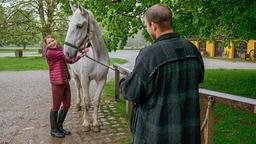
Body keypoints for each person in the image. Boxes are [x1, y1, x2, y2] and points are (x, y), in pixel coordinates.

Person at [120, 4, 204, 144]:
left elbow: (131, 92)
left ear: (153, 26)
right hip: (188, 134)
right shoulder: (193, 50)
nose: (148, 30)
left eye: (147, 26)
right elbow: (199, 77)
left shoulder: (149, 55)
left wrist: (123, 82)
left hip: (156, 134)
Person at [43, 35, 89, 138]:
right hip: (57, 83)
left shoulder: (60, 49)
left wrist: (81, 55)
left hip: (65, 81)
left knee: (67, 105)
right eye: (49, 43)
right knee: (55, 106)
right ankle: (53, 130)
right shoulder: (50, 53)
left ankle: (59, 126)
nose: (52, 43)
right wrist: (80, 49)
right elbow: (66, 54)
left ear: (56, 40)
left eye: (52, 40)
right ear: (47, 45)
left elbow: (70, 60)